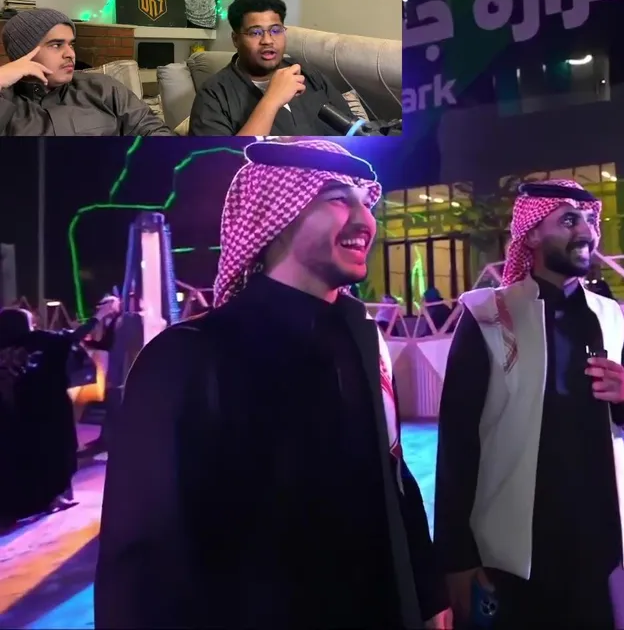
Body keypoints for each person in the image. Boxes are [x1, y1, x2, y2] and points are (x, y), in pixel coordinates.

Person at [94, 139, 449, 628]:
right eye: (337, 199)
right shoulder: (188, 356)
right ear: (276, 215)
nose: (365, 221)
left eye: (365, 202)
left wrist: (427, 592)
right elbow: (142, 556)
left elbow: (393, 477)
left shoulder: (363, 339)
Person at [434, 179, 624, 629]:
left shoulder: (608, 313)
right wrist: (456, 558)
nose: (586, 231)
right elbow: (457, 445)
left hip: (601, 545)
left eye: (589, 220)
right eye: (569, 220)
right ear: (531, 234)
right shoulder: (488, 315)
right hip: (516, 553)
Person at [0, 298, 119, 529]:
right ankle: (49, 499)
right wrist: (101, 315)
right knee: (53, 456)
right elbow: (71, 337)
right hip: (43, 415)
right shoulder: (38, 342)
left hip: (12, 419)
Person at [188, 0, 356, 136]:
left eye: (276, 30)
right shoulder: (214, 95)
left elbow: (354, 133)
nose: (267, 40)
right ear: (236, 39)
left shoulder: (308, 74)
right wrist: (272, 100)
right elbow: (221, 162)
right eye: (255, 32)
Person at [0, 9, 173, 136]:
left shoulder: (103, 87)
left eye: (71, 44)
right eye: (56, 45)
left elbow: (155, 131)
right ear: (23, 54)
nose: (70, 54)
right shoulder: (6, 102)